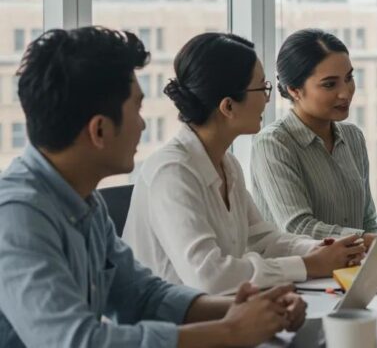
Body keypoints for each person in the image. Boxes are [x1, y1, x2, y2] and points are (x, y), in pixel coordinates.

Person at [0, 27, 306, 347]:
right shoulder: (18, 218)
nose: (143, 124)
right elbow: (79, 342)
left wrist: (250, 311)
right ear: (100, 130)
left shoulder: (83, 202)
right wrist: (229, 331)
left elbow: (144, 296)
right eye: (137, 108)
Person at [123, 33, 367, 296]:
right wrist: (306, 265)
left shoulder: (226, 163)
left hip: (223, 314)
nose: (267, 99)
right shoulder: (172, 171)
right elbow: (210, 276)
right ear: (228, 106)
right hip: (174, 327)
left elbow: (263, 240)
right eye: (262, 89)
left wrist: (321, 249)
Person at [251, 29, 377, 251]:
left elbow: (367, 221)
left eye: (349, 78)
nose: (345, 93)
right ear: (294, 90)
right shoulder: (273, 144)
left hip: (352, 273)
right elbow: (299, 228)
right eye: (329, 84)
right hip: (299, 278)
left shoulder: (353, 137)